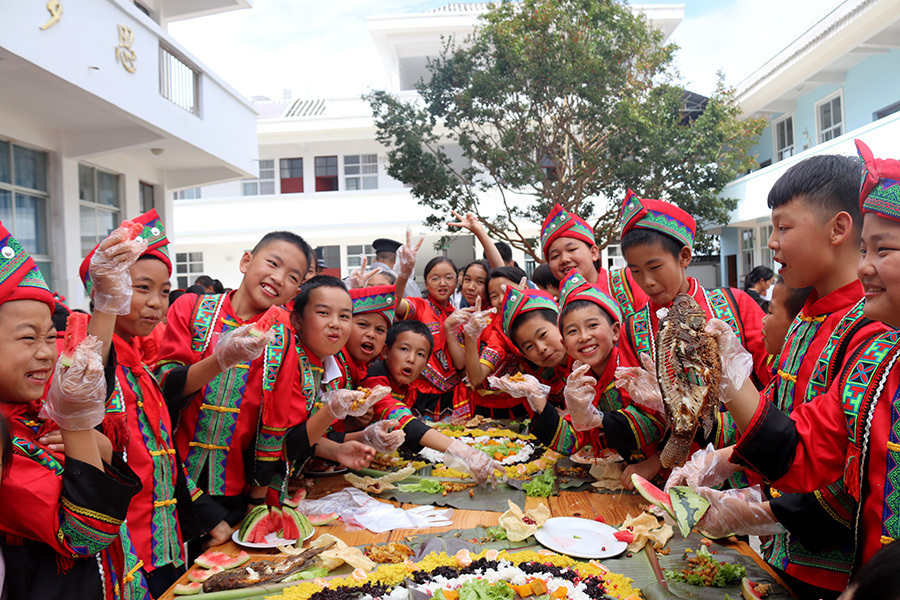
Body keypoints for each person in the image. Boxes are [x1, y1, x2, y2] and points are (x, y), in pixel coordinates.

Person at [680, 139, 900, 583]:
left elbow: (841, 487)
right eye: (865, 251)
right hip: (812, 564)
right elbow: (800, 444)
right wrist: (722, 460)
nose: (864, 268)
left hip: (830, 565)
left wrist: (756, 514)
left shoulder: (870, 339)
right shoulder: (873, 360)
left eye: (883, 251)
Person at [80, 211, 233, 597]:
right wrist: (105, 303)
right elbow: (91, 374)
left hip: (163, 547)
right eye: (141, 288)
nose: (155, 303)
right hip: (123, 557)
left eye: (164, 291)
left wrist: (206, 516)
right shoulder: (88, 358)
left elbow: (161, 459)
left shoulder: (141, 369)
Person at [0, 221, 146, 599]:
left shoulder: (33, 404)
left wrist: (107, 302)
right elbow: (85, 535)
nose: (48, 352)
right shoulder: (5, 440)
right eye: (29, 338)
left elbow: (87, 372)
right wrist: (80, 430)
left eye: (50, 337)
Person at [155, 231, 311, 526]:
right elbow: (164, 384)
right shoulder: (191, 308)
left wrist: (256, 500)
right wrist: (220, 361)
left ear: (295, 293)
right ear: (246, 261)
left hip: (232, 491)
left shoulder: (284, 341)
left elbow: (273, 426)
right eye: (273, 263)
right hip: (169, 477)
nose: (279, 278)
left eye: (292, 277)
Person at [359, 320, 502, 486]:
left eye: (420, 354)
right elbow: (402, 422)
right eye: (404, 349)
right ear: (385, 351)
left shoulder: (405, 386)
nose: (411, 359)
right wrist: (465, 452)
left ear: (426, 364)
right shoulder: (374, 382)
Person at [394, 232, 469, 419]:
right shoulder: (419, 306)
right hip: (419, 392)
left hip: (453, 395)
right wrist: (403, 274)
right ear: (426, 282)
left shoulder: (460, 316)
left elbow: (460, 363)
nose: (442, 283)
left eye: (449, 278)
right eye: (435, 278)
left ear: (456, 281)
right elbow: (395, 303)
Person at [540, 202, 648, 317]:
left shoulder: (628, 280)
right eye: (555, 256)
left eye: (571, 249)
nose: (564, 259)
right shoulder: (556, 313)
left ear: (593, 253)